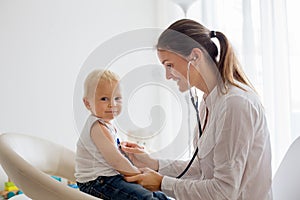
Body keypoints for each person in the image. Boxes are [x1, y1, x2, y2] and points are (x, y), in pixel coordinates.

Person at [122, 19, 273, 200]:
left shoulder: (235, 104)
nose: (168, 76)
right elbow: (201, 170)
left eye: (169, 65)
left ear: (195, 56)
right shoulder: (209, 102)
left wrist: (162, 183)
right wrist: (152, 163)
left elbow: (224, 192)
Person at [75, 69, 170, 200]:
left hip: (110, 178)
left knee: (159, 195)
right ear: (87, 103)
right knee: (145, 196)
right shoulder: (97, 127)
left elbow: (114, 155)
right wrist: (138, 175)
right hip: (96, 182)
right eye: (104, 99)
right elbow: (116, 160)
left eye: (117, 98)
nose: (112, 104)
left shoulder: (108, 125)